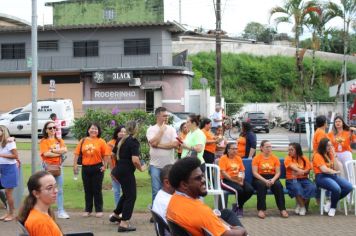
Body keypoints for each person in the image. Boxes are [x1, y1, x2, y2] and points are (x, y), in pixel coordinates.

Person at [167, 158, 247, 236]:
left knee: (226, 213)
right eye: (198, 178)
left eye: (202, 176)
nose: (204, 180)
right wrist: (241, 230)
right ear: (184, 185)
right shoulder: (201, 211)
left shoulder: (173, 200)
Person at [110, 121, 146, 232]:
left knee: (127, 194)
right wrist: (141, 168)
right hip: (126, 172)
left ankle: (116, 215)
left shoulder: (121, 140)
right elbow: (135, 160)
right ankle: (124, 224)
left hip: (119, 170)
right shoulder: (133, 141)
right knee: (131, 196)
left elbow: (112, 154)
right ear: (136, 129)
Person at [73, 123, 110, 218]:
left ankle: (99, 210)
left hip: (97, 167)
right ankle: (88, 210)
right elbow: (77, 153)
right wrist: (75, 165)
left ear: (98, 131)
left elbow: (106, 155)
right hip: (85, 168)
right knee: (87, 190)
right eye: (92, 128)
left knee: (97, 190)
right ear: (88, 130)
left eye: (96, 129)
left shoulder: (101, 141)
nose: (94, 131)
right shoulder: (83, 140)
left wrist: (105, 165)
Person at [313, 138, 353, 217]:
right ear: (323, 146)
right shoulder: (317, 155)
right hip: (321, 176)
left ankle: (331, 201)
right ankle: (333, 208)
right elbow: (324, 169)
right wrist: (334, 172)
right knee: (336, 188)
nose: (330, 147)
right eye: (328, 145)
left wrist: (334, 155)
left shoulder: (330, 154)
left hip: (332, 175)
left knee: (348, 187)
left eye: (331, 145)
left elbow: (337, 168)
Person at [146, 107, 178, 205]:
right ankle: (156, 214)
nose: (166, 117)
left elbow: (175, 144)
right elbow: (152, 142)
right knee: (156, 190)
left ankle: (169, 213)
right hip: (155, 166)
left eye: (167, 116)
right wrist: (161, 131)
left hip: (169, 165)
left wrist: (158, 145)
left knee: (170, 190)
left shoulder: (172, 129)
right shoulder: (151, 129)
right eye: (164, 116)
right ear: (157, 116)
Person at [39, 121, 69, 219]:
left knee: (59, 190)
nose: (52, 130)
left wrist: (52, 150)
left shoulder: (59, 140)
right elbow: (46, 154)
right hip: (47, 167)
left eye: (54, 128)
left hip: (58, 167)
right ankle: (46, 211)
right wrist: (58, 153)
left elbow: (65, 150)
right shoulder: (44, 141)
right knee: (46, 190)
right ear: (46, 130)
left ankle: (61, 211)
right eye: (50, 128)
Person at [18, 171, 63, 236]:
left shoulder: (38, 214)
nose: (56, 191)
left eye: (55, 186)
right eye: (49, 188)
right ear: (36, 193)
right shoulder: (41, 223)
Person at [252, 140, 288, 219]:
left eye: (270, 147)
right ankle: (261, 210)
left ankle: (282, 209)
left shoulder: (275, 158)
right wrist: (265, 181)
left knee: (278, 185)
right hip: (260, 177)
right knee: (261, 185)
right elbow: (255, 173)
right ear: (261, 148)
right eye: (267, 147)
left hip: (272, 177)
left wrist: (273, 180)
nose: (269, 148)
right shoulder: (256, 158)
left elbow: (278, 173)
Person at [219, 142, 254, 217]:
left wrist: (241, 179)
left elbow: (242, 171)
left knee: (250, 190)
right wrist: (235, 181)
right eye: (233, 149)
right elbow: (223, 173)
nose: (235, 150)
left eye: (236, 148)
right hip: (226, 180)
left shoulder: (238, 158)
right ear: (228, 150)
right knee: (239, 190)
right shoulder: (223, 158)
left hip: (238, 179)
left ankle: (237, 205)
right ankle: (239, 208)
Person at [284, 143, 316, 216]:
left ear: (297, 150)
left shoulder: (304, 158)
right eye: (289, 150)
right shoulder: (288, 158)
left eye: (291, 150)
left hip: (304, 179)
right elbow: (292, 167)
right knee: (297, 188)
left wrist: (303, 172)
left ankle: (300, 205)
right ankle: (303, 207)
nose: (289, 151)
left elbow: (308, 170)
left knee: (312, 187)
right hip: (292, 179)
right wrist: (301, 171)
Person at [0, 125, 18, 222]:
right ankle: (8, 212)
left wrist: (1, 155)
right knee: (6, 193)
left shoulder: (10, 142)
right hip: (1, 169)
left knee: (8, 193)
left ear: (3, 131)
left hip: (9, 168)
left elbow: (15, 156)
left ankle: (12, 213)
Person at [107, 125, 126, 206]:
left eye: (124, 132)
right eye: (121, 131)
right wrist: (112, 171)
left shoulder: (127, 142)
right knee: (117, 191)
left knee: (126, 192)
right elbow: (109, 157)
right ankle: (117, 210)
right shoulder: (110, 143)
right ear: (117, 133)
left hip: (125, 171)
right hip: (115, 169)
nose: (122, 133)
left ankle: (124, 209)